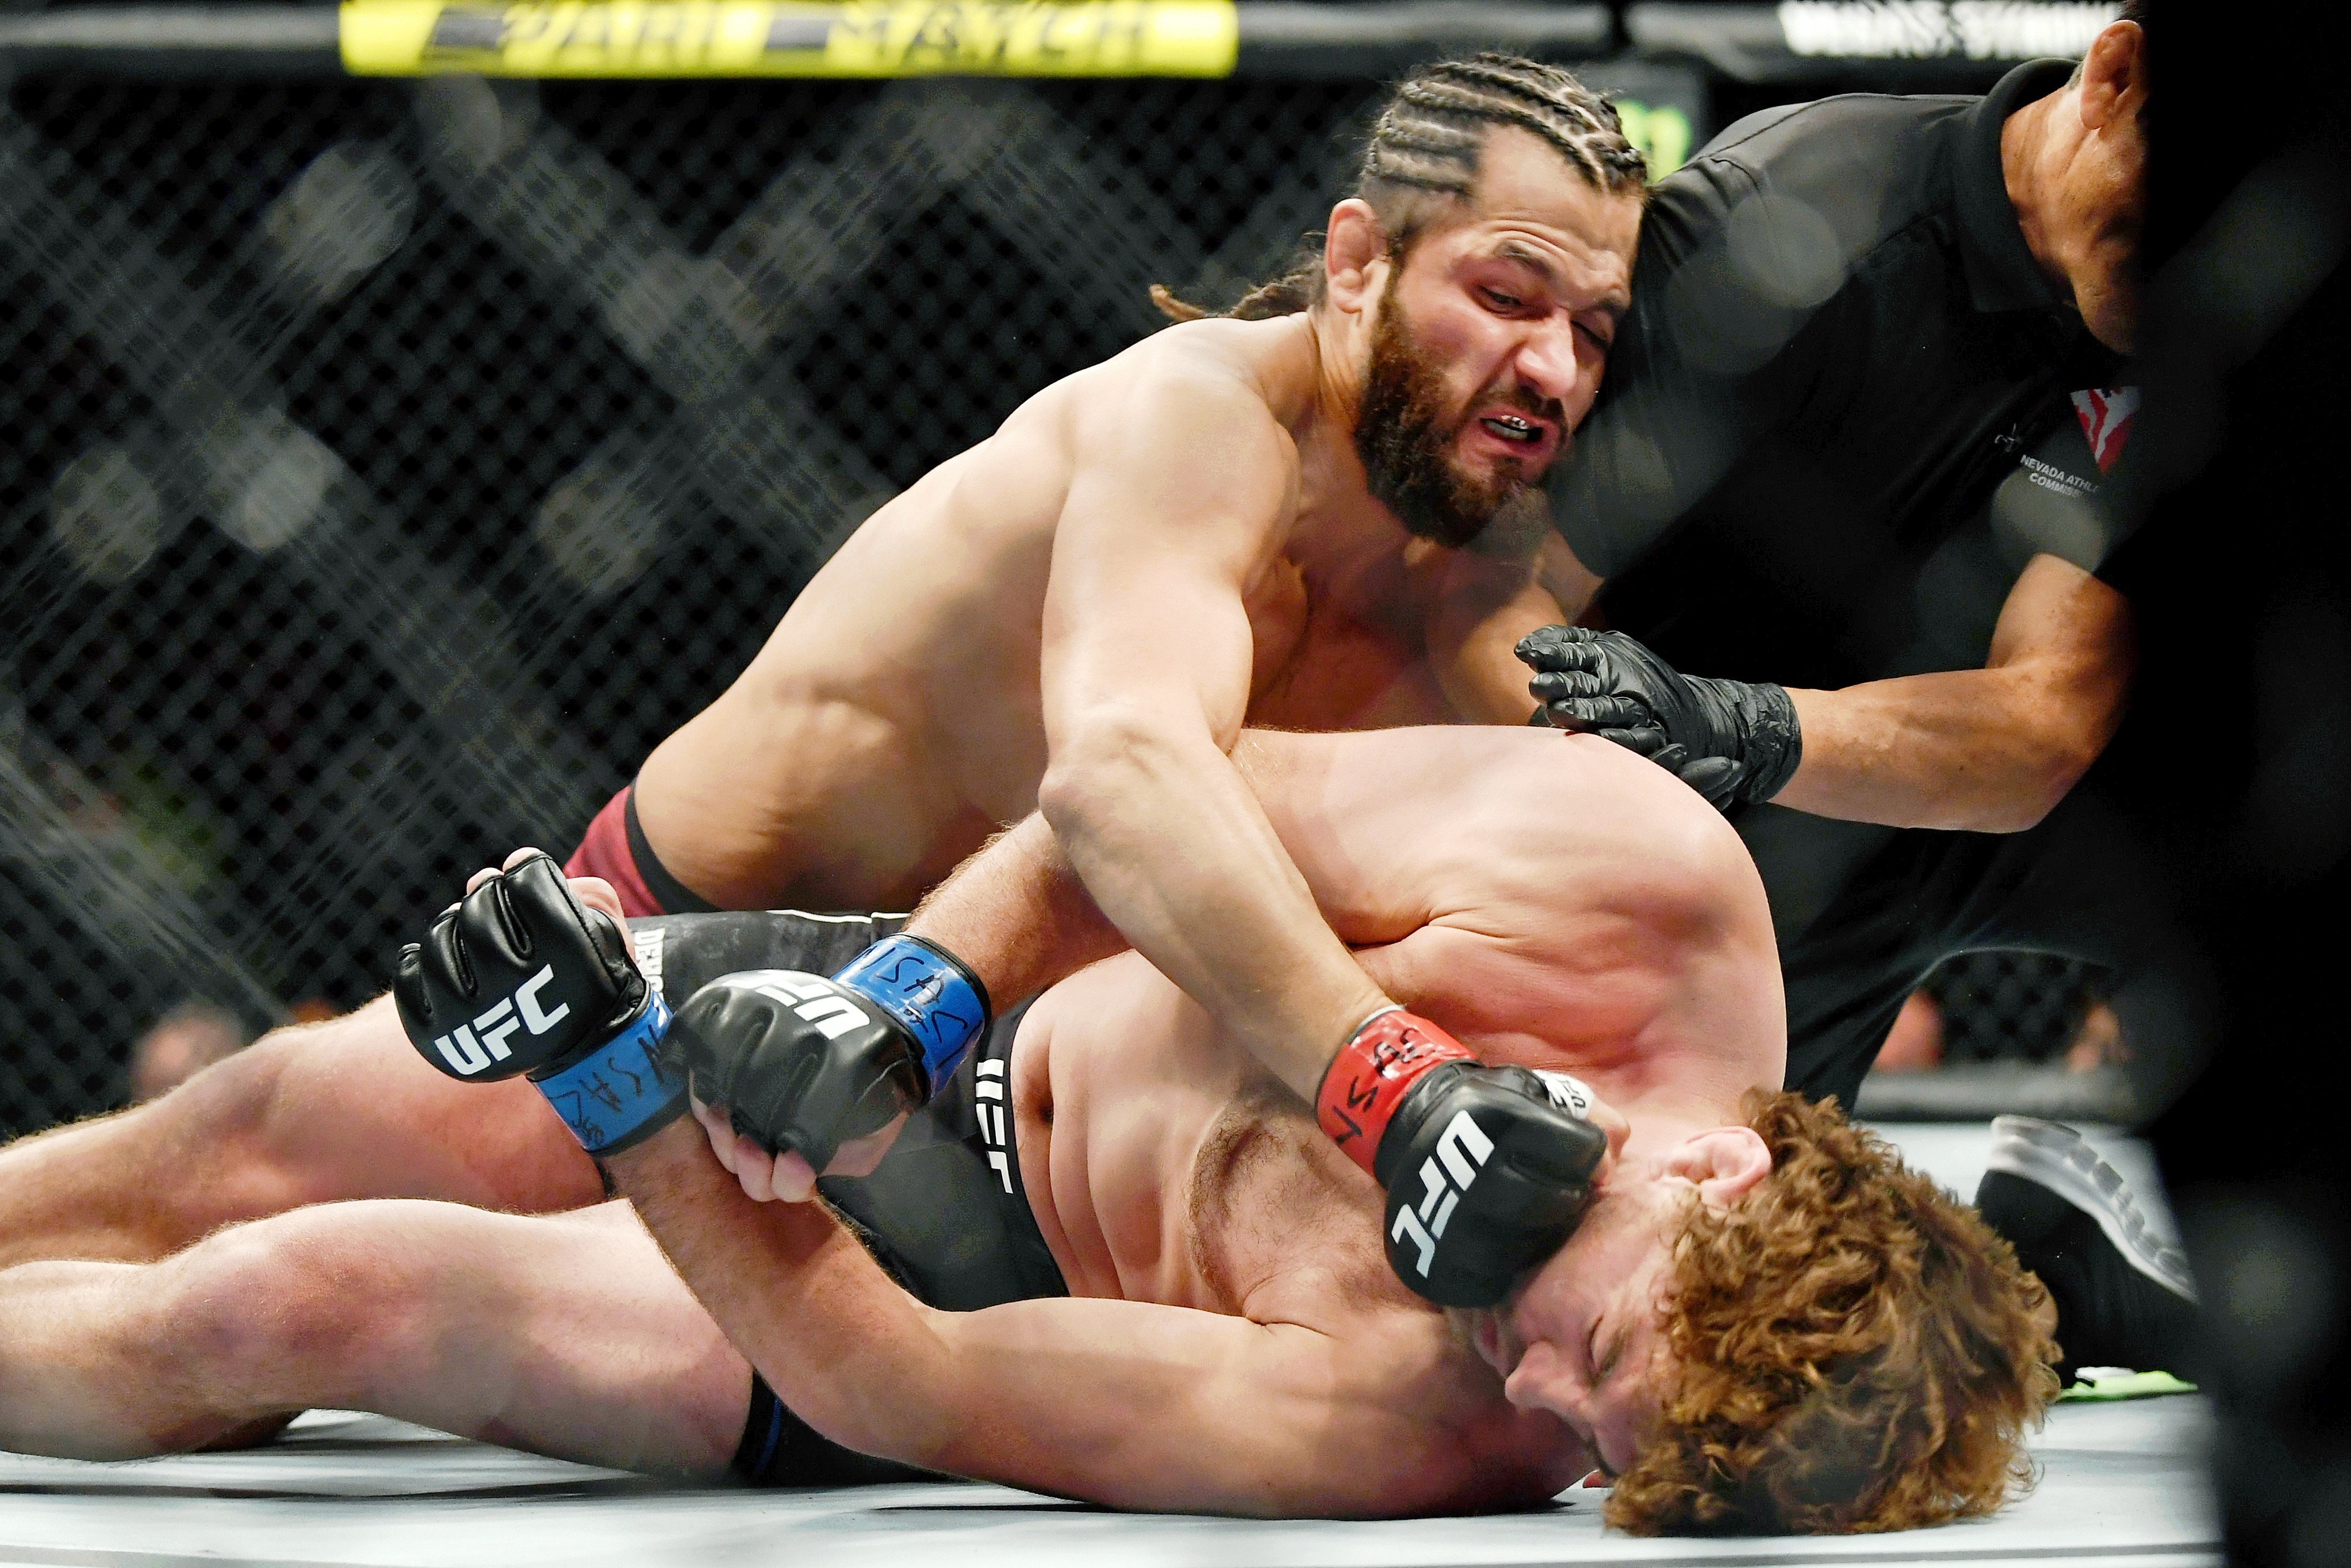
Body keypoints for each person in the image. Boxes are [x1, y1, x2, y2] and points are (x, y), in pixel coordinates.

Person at [0, 55, 1643, 1274]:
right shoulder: (1198, 418)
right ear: (1358, 260)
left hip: (971, 1108)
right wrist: (1393, 1086)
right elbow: (1125, 774)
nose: (1550, 366)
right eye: (1505, 294)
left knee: (337, 1302)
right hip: (673, 960)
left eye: (1594, 330)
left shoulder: (1487, 590)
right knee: (244, 1184)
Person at [0, 724, 2057, 1533]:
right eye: (1598, 1349)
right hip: (960, 1000)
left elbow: (902, 1368)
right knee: (271, 1111)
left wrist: (608, 1073)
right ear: (1714, 1173)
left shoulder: (1421, 1423)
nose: (1531, 1385)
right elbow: (1134, 792)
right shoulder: (1641, 891)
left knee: (292, 1289)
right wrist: (1384, 1070)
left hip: (936, 1271)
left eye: (1588, 1444)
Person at [1509, 9, 2187, 1375]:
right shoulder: (1792, 227)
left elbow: (2048, 717)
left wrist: (1744, 727)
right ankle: (2040, 1278)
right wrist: (1617, 783)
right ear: (2111, 79)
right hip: (1667, 840)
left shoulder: (2186, 333)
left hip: (1907, 800)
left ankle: (2100, 1263)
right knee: (1698, 1343)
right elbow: (1504, 611)